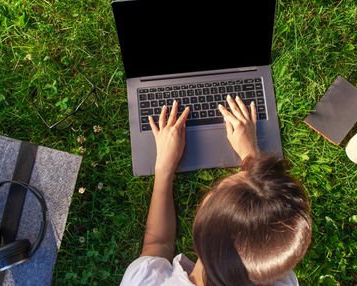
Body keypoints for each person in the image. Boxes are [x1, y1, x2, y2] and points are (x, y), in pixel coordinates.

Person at [120, 95, 312, 286]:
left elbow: (157, 245)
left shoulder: (143, 282)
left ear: (199, 227)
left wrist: (163, 168)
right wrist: (250, 157)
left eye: (216, 189)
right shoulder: (282, 280)